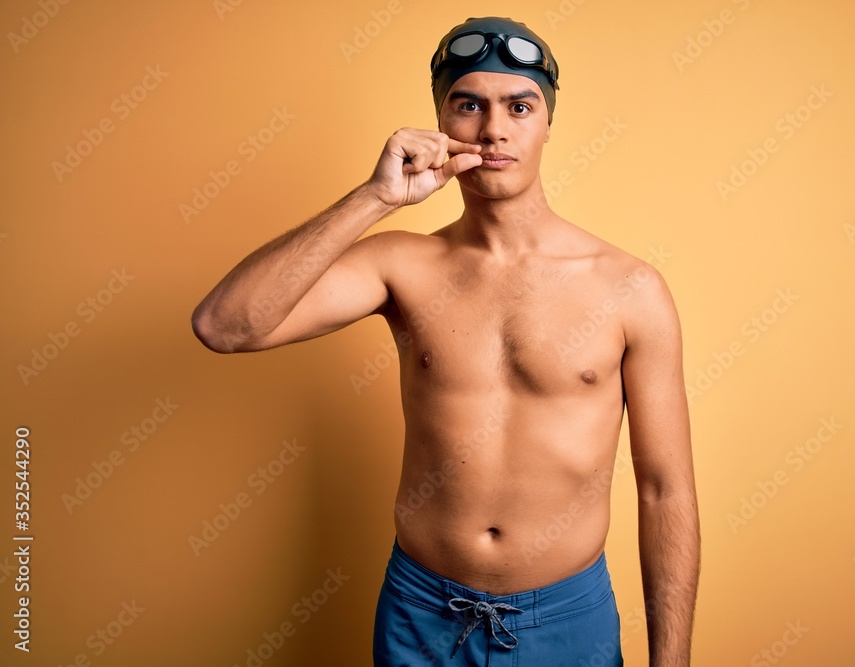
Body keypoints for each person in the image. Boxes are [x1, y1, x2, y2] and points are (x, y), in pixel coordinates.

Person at [191, 15, 700, 666]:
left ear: (547, 122)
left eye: (520, 105)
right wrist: (376, 197)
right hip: (422, 613)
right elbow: (226, 325)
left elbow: (666, 491)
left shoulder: (629, 288)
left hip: (569, 621)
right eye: (469, 106)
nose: (494, 129)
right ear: (441, 120)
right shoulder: (402, 266)